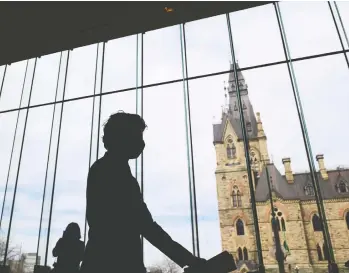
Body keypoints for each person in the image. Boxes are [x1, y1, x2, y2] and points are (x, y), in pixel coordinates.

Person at [80, 111, 206, 273]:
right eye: (137, 137)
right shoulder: (118, 175)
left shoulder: (103, 170)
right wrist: (188, 259)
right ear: (123, 139)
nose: (142, 144)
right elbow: (146, 226)